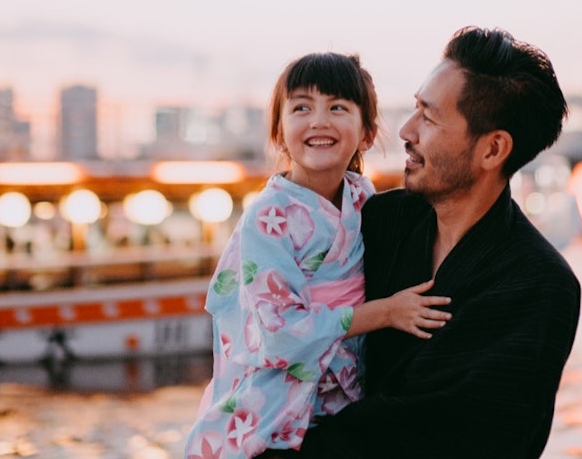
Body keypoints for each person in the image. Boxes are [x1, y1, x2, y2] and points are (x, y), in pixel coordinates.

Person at [272, 25, 582, 459]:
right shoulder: (374, 222)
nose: (406, 130)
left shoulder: (537, 284)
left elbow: (439, 435)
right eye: (415, 108)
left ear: (493, 150)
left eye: (429, 118)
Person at [184, 52, 453, 459]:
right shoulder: (267, 218)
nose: (319, 121)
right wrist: (387, 313)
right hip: (271, 421)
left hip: (338, 412)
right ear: (279, 133)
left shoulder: (363, 199)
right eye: (301, 108)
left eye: (338, 107)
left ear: (367, 134)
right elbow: (280, 332)